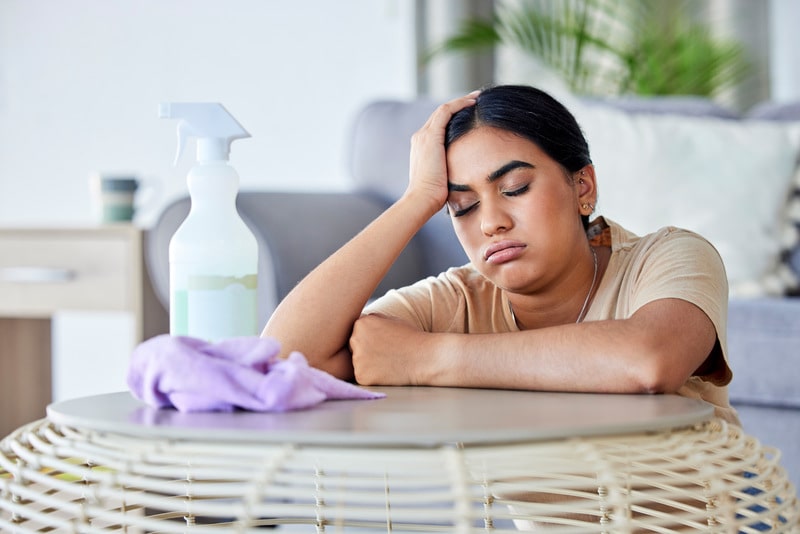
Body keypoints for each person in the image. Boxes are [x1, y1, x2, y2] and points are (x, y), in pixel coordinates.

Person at [262, 84, 738, 425]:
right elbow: (283, 361)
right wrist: (415, 201)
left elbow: (649, 362)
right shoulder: (459, 299)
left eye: (515, 188)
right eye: (462, 207)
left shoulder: (672, 256)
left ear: (583, 187)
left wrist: (428, 358)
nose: (490, 223)